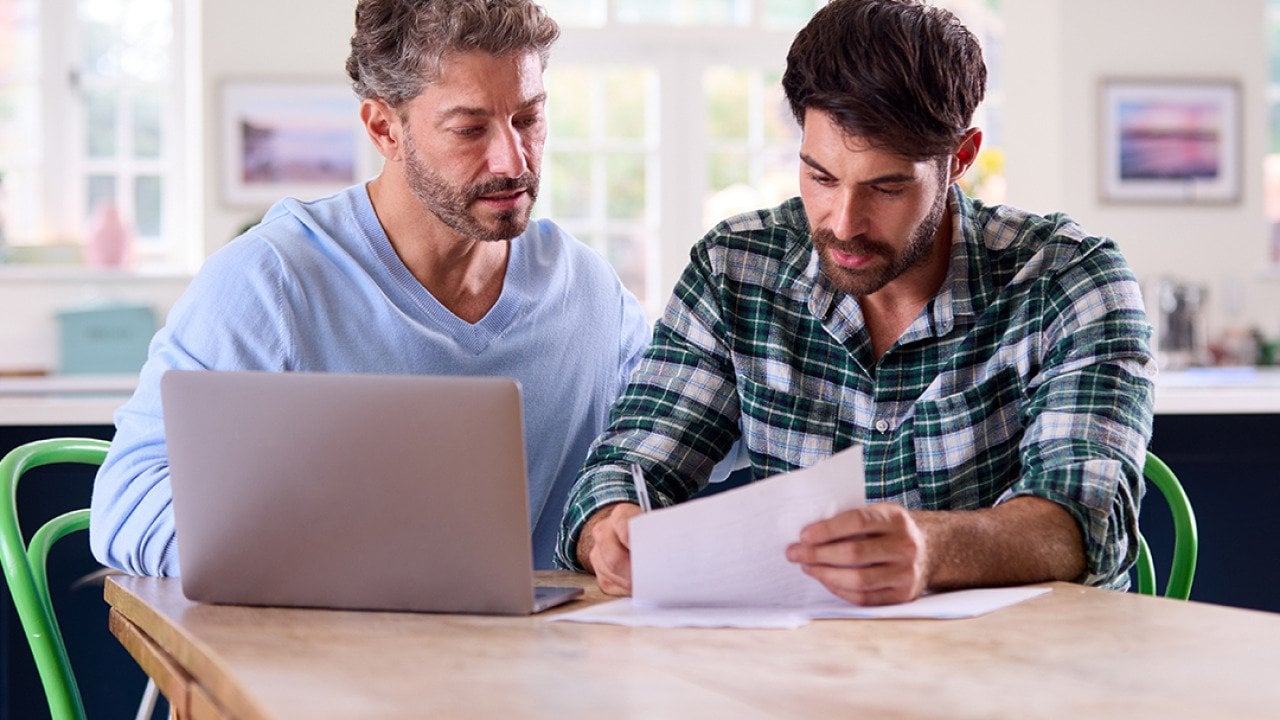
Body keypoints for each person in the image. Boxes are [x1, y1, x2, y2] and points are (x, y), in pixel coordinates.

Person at [556, 0, 1156, 606]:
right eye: (820, 177)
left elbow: (1081, 523)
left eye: (886, 186)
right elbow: (627, 466)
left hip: (1019, 677)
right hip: (805, 674)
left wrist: (931, 550)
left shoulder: (1069, 280)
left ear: (961, 160)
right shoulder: (735, 270)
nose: (843, 224)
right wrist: (610, 526)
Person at [90, 0, 650, 575]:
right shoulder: (270, 283)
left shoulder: (587, 291)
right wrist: (347, 567)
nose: (511, 160)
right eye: (469, 129)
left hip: (523, 660)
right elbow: (129, 506)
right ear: (385, 128)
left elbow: (681, 431)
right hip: (306, 655)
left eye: (528, 119)